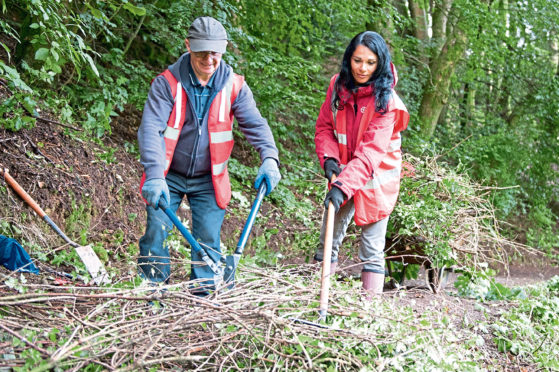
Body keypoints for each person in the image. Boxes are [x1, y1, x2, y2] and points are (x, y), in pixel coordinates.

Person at [137, 16, 280, 293]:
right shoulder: (167, 84)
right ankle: (152, 293)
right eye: (202, 52)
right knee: (156, 232)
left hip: (209, 178)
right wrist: (154, 176)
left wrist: (270, 158)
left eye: (215, 52)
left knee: (207, 240)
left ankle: (204, 299)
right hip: (168, 175)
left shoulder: (234, 86)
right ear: (188, 45)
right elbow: (150, 130)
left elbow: (255, 124)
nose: (209, 59)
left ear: (223, 49)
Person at [313, 31, 409, 297]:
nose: (363, 68)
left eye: (370, 62)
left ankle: (369, 312)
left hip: (377, 178)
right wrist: (330, 159)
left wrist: (342, 187)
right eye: (357, 61)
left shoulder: (386, 101)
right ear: (349, 59)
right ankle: (316, 297)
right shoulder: (338, 86)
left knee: (371, 247)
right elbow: (324, 128)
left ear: (380, 63)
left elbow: (370, 153)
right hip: (345, 172)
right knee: (328, 237)